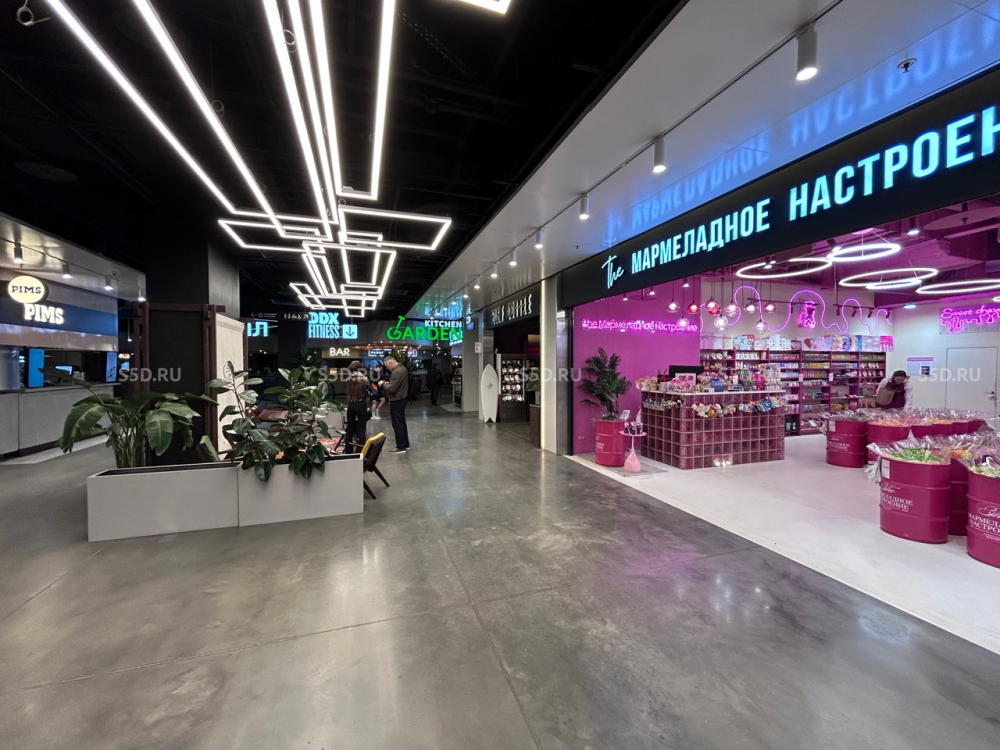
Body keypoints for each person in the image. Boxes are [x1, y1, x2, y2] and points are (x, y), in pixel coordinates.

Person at [381, 356, 410, 453]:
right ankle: (405, 444)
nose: (387, 368)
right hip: (401, 399)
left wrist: (383, 384)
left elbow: (392, 388)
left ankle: (401, 446)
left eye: (387, 366)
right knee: (401, 423)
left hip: (397, 400)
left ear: (390, 362)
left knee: (397, 424)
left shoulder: (397, 372)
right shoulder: (402, 369)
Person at [343, 361, 370, 453]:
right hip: (361, 404)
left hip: (351, 404)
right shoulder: (365, 379)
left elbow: (347, 391)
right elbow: (372, 392)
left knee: (350, 428)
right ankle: (360, 451)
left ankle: (348, 451)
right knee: (361, 428)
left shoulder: (348, 379)